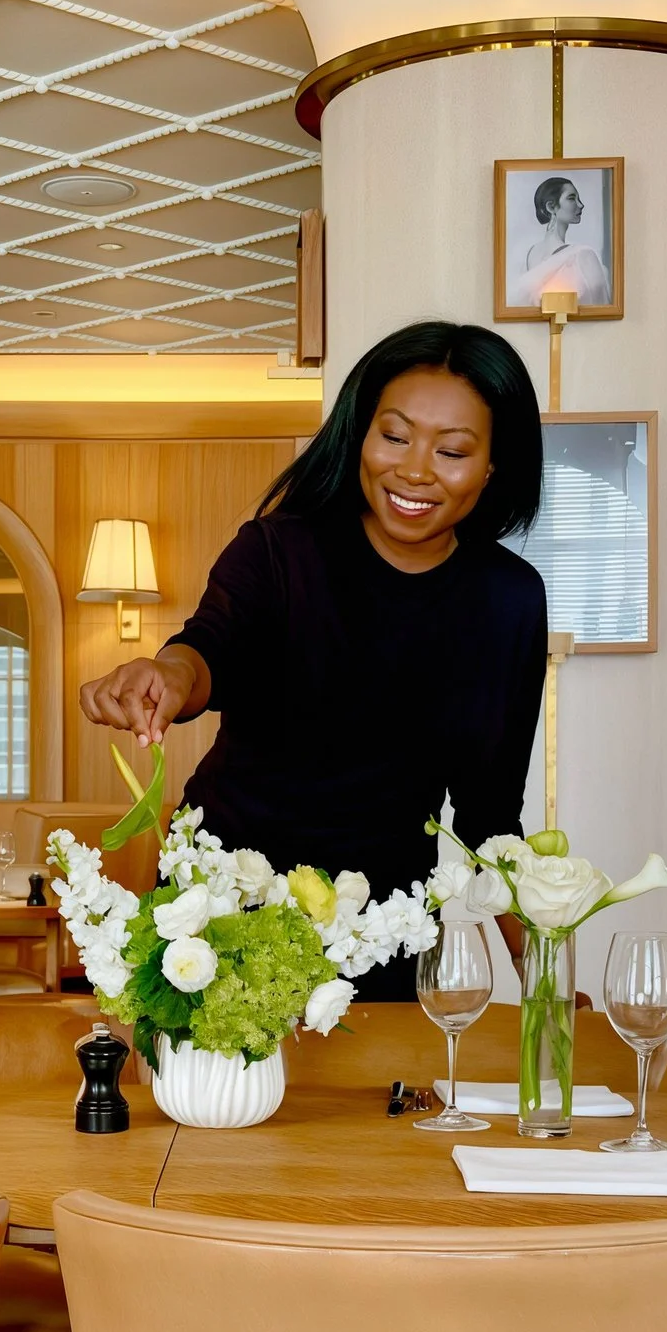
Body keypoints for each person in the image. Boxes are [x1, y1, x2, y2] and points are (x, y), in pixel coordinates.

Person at [80, 322, 547, 997]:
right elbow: (207, 650)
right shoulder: (279, 550)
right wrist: (167, 674)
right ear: (360, 433)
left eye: (451, 450)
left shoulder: (509, 599)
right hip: (223, 904)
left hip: (383, 925)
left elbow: (491, 819)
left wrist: (546, 979)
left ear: (494, 465)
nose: (414, 469)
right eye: (394, 436)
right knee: (211, 1101)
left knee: (371, 1101)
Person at [511, 172, 610, 309]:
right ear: (551, 207)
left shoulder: (582, 254)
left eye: (578, 199)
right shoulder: (583, 255)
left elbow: (602, 309)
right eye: (571, 198)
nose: (580, 205)